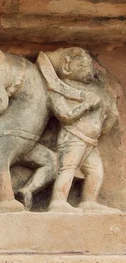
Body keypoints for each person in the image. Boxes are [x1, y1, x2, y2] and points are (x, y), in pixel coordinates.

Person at [39, 47, 119, 213]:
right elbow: (64, 115)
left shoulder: (97, 90)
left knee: (96, 171)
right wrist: (85, 105)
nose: (88, 69)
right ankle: (58, 201)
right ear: (66, 67)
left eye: (89, 66)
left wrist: (109, 114)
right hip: (73, 136)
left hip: (92, 140)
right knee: (67, 168)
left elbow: (108, 115)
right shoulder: (58, 89)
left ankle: (89, 201)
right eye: (82, 66)